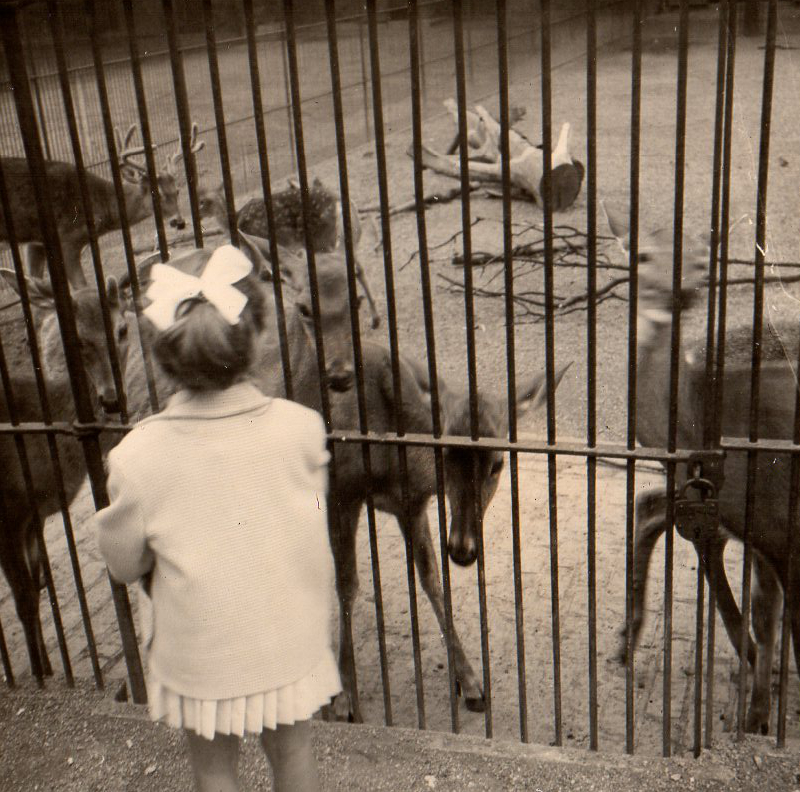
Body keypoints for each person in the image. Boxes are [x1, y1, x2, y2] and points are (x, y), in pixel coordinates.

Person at [93, 245, 340, 792]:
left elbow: (124, 565)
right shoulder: (302, 428)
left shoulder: (136, 455)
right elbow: (309, 519)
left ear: (159, 352)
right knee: (293, 752)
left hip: (199, 650)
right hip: (288, 637)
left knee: (213, 770)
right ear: (260, 335)